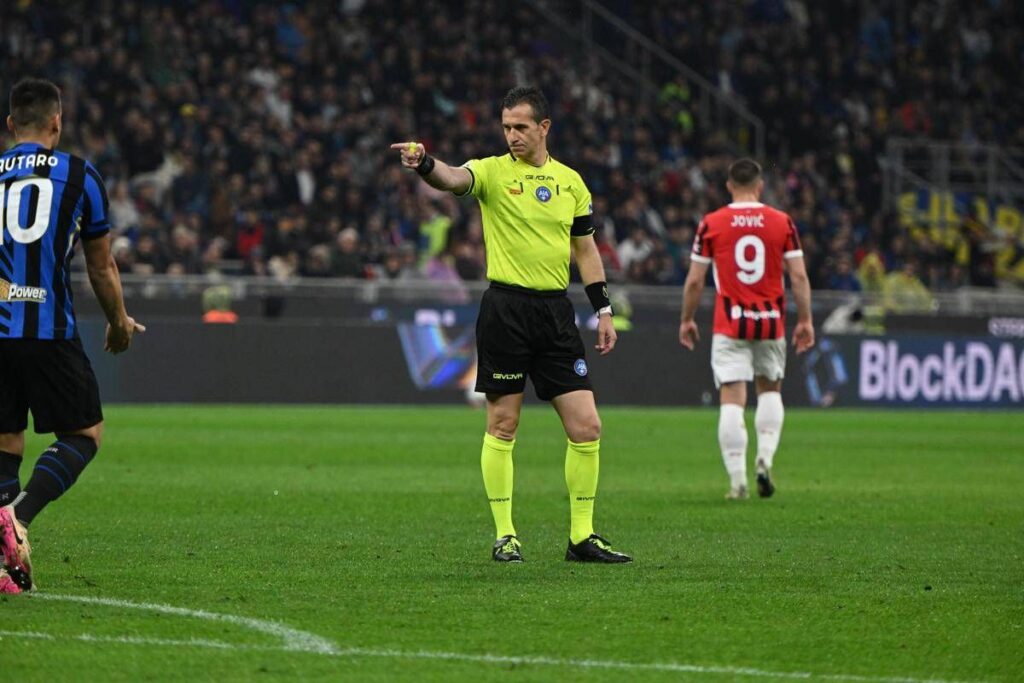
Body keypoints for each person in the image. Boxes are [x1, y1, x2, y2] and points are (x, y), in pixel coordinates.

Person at [390, 86, 630, 563]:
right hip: (506, 310)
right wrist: (423, 163)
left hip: (556, 314)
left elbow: (585, 250)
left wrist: (603, 310)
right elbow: (454, 180)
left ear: (544, 127)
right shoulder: (493, 171)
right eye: (506, 127)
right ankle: (505, 535)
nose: (512, 136)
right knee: (503, 423)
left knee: (587, 427)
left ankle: (581, 537)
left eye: (521, 127)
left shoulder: (571, 183)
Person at [0, 78, 145, 594]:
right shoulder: (79, 174)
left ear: (11, 125)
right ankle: (16, 516)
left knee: (6, 442)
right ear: (57, 123)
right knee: (84, 435)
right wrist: (118, 322)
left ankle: (7, 569)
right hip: (47, 327)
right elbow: (101, 267)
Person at [679, 159, 814, 500]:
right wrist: (806, 320)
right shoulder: (781, 222)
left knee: (732, 400)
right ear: (760, 186)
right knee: (770, 391)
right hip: (770, 323)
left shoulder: (712, 223)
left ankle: (738, 482)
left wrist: (687, 319)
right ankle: (765, 459)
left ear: (728, 186)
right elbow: (797, 275)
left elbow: (695, 280)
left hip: (730, 324)